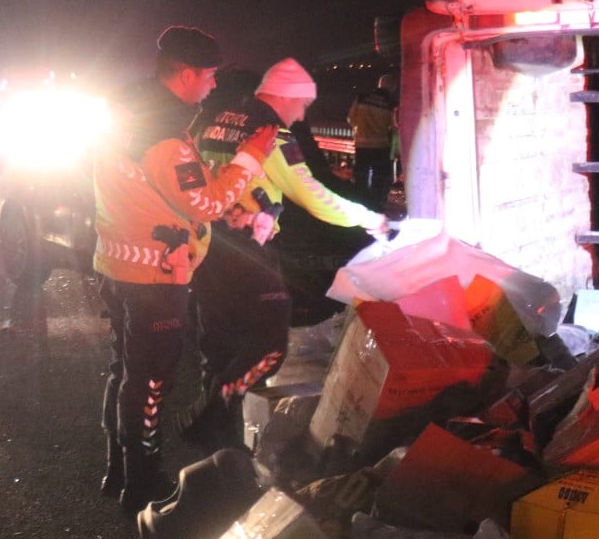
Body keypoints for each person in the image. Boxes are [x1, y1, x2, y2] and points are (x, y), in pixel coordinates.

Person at [93, 26, 283, 511]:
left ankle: (118, 470)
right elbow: (208, 203)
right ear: (185, 76)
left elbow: (149, 188)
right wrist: (251, 157)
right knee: (151, 381)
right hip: (155, 274)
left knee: (125, 370)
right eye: (209, 76)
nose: (214, 85)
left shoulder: (124, 115)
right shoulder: (163, 138)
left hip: (115, 261)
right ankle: (142, 482)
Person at [181, 57, 388, 449]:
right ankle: (213, 414)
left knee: (219, 342)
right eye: (303, 104)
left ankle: (222, 446)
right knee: (271, 346)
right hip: (248, 252)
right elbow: (312, 195)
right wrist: (367, 217)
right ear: (286, 95)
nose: (303, 114)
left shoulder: (215, 120)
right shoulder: (270, 133)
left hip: (206, 245)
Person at [346, 71, 398, 208]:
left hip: (361, 145)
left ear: (379, 85)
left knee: (361, 176)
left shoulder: (362, 97)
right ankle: (376, 204)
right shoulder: (391, 103)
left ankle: (360, 202)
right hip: (381, 146)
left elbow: (351, 119)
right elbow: (394, 126)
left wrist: (360, 129)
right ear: (392, 87)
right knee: (379, 179)